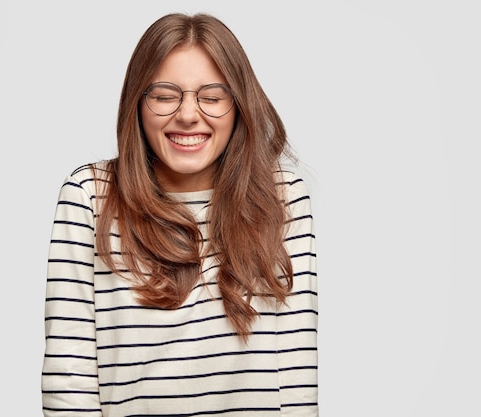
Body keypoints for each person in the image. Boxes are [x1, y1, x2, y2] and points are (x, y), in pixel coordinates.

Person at [41, 12, 318, 417]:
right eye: (165, 94)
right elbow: (70, 380)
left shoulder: (280, 196)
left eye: (212, 96)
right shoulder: (91, 197)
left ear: (239, 105)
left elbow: (296, 374)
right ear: (137, 102)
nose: (188, 114)